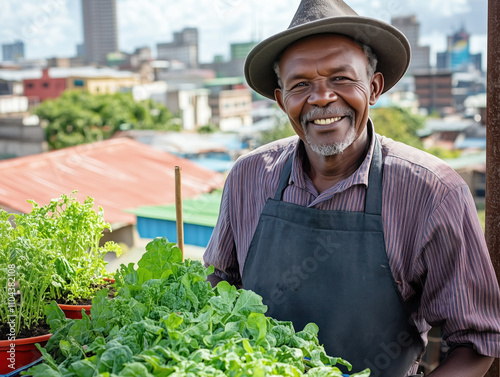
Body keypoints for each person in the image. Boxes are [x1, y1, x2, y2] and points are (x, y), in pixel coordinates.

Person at [203, 0, 500, 376]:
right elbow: (218, 284)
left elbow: (476, 342)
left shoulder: (433, 193)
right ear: (282, 101)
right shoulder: (248, 177)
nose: (322, 97)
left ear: (373, 87)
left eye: (341, 78)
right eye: (301, 84)